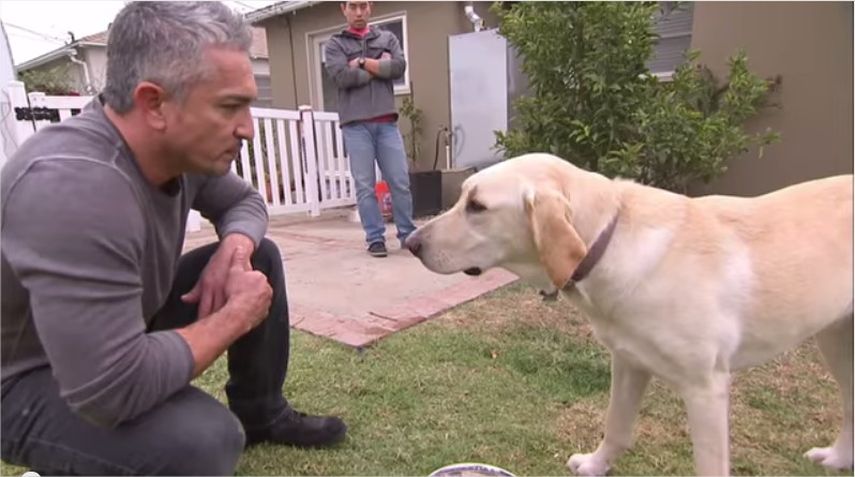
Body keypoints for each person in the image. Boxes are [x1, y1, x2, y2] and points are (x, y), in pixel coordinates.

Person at [0, 2, 346, 475]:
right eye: (230, 107)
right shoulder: (75, 188)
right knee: (199, 442)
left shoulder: (175, 153)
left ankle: (262, 413)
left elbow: (244, 204)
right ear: (154, 103)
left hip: (113, 331)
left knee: (259, 253)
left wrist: (236, 248)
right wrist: (234, 316)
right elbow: (111, 389)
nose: (247, 128)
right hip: (22, 380)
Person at [325, 0, 417, 258]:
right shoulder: (335, 44)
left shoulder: (386, 38)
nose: (358, 12)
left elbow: (397, 68)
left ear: (370, 7)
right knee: (365, 186)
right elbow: (342, 77)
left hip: (386, 123)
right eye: (352, 6)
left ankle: (407, 234)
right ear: (343, 8)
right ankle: (375, 238)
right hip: (355, 125)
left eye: (363, 6)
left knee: (400, 181)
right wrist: (377, 66)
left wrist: (360, 62)